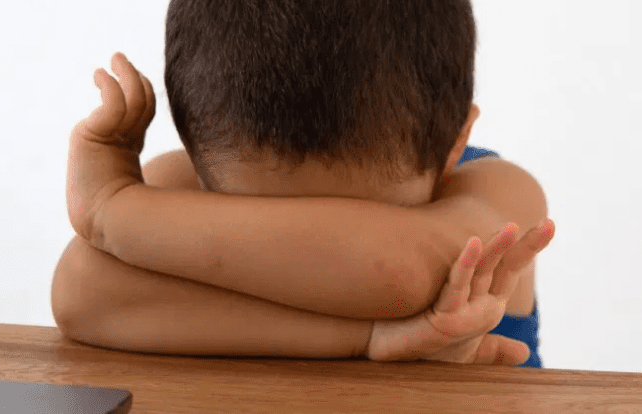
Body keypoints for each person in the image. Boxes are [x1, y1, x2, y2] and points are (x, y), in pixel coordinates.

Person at [52, 0, 553, 367]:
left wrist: (111, 210)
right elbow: (81, 292)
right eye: (255, 222)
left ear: (455, 142)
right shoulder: (182, 179)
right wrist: (363, 334)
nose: (309, 255)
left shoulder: (501, 194)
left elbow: (406, 270)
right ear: (192, 147)